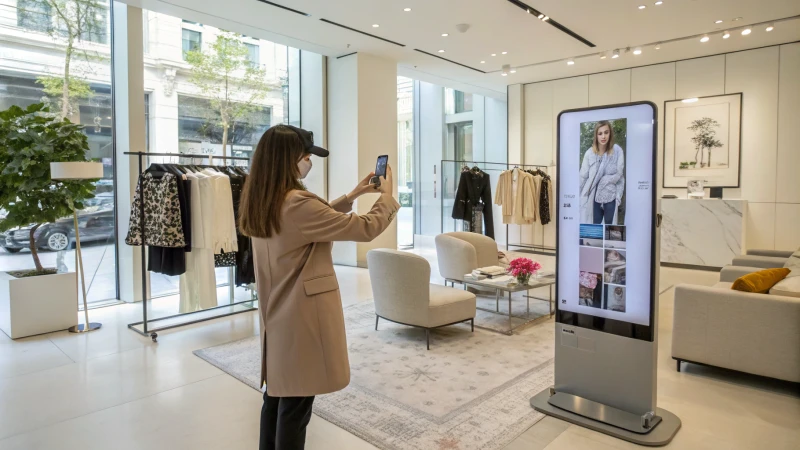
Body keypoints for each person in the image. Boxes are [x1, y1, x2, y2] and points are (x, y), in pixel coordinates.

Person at [238, 125, 399, 450]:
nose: (309, 161)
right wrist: (387, 197)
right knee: (296, 408)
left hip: (278, 316)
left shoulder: (263, 198)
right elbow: (365, 229)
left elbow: (311, 221)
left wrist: (352, 195)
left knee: (276, 398)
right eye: (306, 155)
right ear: (288, 160)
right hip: (302, 318)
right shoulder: (297, 203)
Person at [579, 121, 625, 224]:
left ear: (610, 133)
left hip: (611, 195)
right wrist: (578, 197)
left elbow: (620, 176)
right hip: (592, 196)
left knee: (610, 230)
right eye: (600, 133)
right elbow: (582, 177)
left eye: (606, 132)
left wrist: (618, 195)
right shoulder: (589, 153)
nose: (603, 136)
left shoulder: (617, 151)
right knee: (594, 229)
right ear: (596, 136)